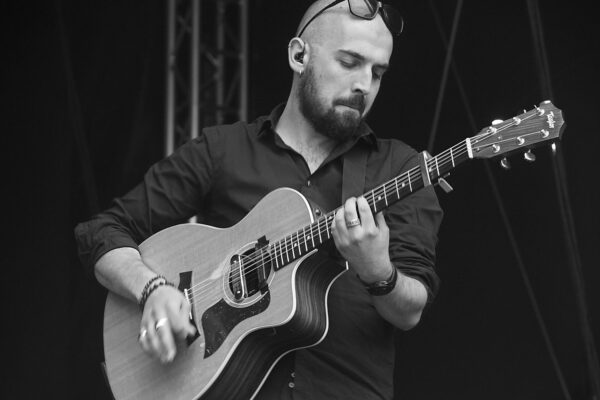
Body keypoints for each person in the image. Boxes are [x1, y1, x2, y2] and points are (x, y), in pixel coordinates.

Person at [75, 1, 443, 399]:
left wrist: (379, 271)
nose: (364, 85)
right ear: (299, 55)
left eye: (377, 72)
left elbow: (410, 310)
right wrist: (153, 289)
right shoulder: (222, 150)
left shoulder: (402, 168)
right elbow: (102, 233)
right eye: (350, 62)